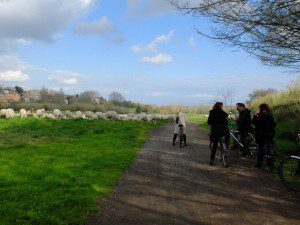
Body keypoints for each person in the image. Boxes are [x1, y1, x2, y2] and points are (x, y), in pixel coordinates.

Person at [252, 103, 276, 169]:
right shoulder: (270, 114)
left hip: (261, 135)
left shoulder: (260, 115)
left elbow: (254, 122)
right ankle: (270, 163)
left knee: (261, 148)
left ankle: (258, 164)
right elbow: (274, 124)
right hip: (270, 134)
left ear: (261, 108)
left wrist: (255, 116)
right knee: (269, 147)